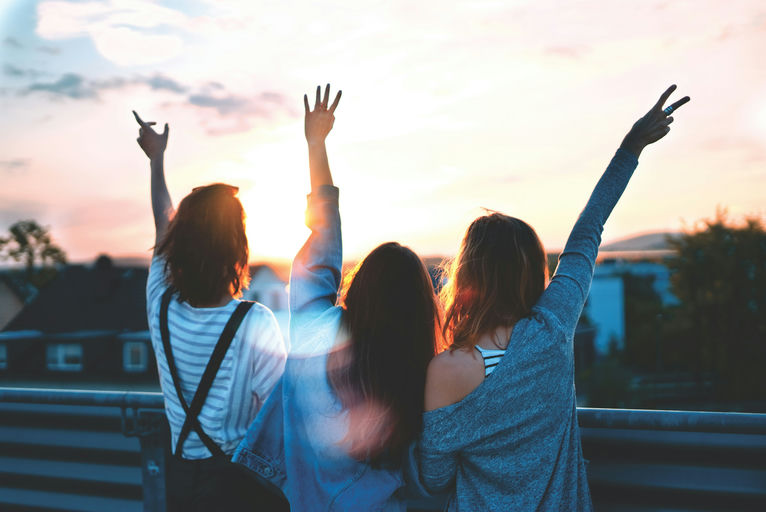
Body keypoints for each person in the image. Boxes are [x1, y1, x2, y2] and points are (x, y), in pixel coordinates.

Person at [418, 85, 691, 511]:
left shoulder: (445, 370)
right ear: (530, 272)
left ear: (468, 274)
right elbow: (588, 232)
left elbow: (435, 481)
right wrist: (631, 147)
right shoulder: (552, 328)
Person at [234, 85, 443, 510]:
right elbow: (430, 477)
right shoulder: (417, 370)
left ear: (360, 285)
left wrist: (316, 144)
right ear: (419, 308)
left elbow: (323, 242)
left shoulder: (316, 333)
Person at [134, 111, 289, 511]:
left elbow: (162, 226)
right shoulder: (255, 322)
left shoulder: (160, 305)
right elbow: (279, 416)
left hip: (178, 481)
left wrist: (156, 160)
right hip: (237, 487)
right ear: (237, 250)